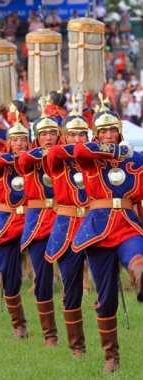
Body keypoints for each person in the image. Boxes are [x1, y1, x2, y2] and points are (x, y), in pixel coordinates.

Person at [73, 99, 143, 372]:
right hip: (98, 229)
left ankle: (139, 277)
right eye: (102, 131)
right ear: (96, 135)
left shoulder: (136, 159)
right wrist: (110, 150)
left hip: (127, 223)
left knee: (136, 256)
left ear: (120, 131)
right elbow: (80, 149)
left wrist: (126, 153)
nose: (108, 135)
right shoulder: (89, 158)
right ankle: (111, 358)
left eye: (112, 130)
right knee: (106, 297)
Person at [44, 98, 90, 358]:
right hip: (67, 225)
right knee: (70, 287)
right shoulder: (57, 154)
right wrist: (86, 148)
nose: (78, 138)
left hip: (95, 223)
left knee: (104, 286)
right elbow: (55, 154)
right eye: (72, 134)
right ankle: (77, 348)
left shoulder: (96, 156)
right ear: (63, 136)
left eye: (83, 134)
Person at [16, 112, 60, 346]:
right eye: (43, 134)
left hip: (64, 218)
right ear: (36, 138)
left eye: (53, 133)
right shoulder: (29, 157)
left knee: (71, 275)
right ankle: (50, 335)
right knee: (42, 277)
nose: (48, 137)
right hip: (38, 222)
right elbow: (23, 162)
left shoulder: (65, 156)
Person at [0, 113, 29, 339]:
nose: (20, 144)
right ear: (8, 142)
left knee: (42, 268)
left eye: (23, 139)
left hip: (33, 219)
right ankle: (18, 324)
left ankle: (49, 329)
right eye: (15, 139)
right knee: (8, 271)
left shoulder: (34, 160)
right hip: (6, 221)